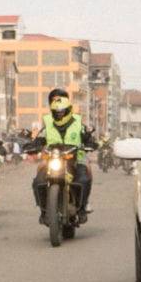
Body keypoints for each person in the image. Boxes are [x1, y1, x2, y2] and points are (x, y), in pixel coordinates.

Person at [31, 89, 94, 222]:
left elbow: (87, 137)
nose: (59, 114)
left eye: (62, 111)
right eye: (56, 111)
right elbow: (40, 138)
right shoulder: (47, 122)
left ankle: (82, 208)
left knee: (84, 178)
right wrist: (33, 145)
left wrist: (90, 142)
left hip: (75, 157)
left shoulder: (78, 122)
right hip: (52, 158)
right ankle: (44, 211)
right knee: (38, 181)